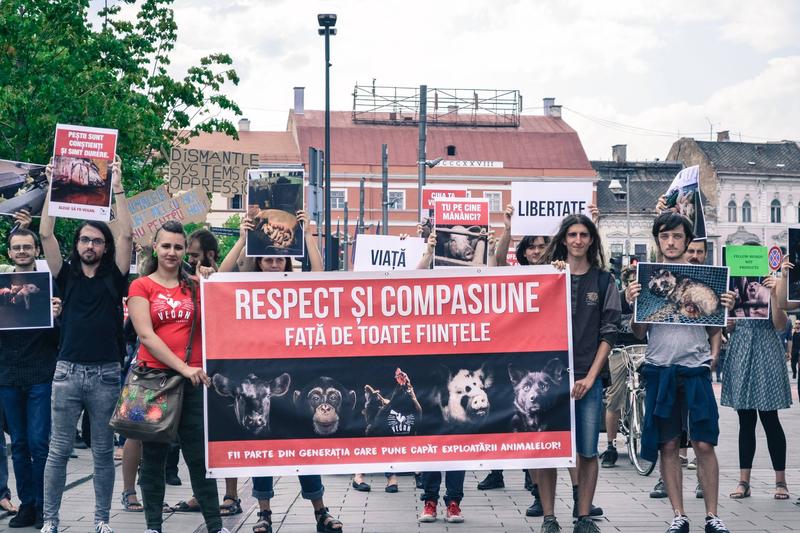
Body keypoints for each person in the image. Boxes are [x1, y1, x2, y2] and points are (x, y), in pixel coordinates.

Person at [217, 214, 339, 533]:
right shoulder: (247, 286)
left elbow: (320, 273)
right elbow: (221, 275)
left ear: (287, 262)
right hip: (258, 378)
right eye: (268, 259)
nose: (273, 264)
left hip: (290, 377)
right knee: (262, 449)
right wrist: (242, 240)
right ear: (259, 263)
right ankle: (264, 514)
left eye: (279, 259)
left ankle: (320, 510)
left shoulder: (296, 286)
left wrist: (309, 235)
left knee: (301, 446)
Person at [625, 212, 735, 533]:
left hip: (695, 369)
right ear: (658, 240)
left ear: (687, 241)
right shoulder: (646, 279)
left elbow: (718, 323)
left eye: (676, 236)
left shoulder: (703, 278)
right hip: (660, 369)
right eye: (665, 236)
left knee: (703, 444)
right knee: (669, 445)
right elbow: (637, 332)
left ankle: (713, 516)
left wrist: (724, 307)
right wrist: (635, 303)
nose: (671, 242)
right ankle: (679, 515)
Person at [38, 158, 132, 533]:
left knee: (104, 455)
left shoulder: (115, 276)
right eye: (84, 239)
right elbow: (46, 235)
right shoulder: (66, 275)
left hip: (107, 374)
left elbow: (126, 235)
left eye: (96, 240)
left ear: (104, 247)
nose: (90, 244)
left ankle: (101, 520)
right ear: (76, 244)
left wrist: (116, 185)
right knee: (58, 451)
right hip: (67, 373)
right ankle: (50, 521)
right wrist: (51, 188)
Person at [127, 220, 227, 533]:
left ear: (186, 251)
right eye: (166, 246)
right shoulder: (141, 286)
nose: (172, 252)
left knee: (199, 457)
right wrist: (183, 368)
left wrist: (210, 276)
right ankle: (153, 526)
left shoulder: (195, 284)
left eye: (178, 247)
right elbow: (146, 335)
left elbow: (229, 292)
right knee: (154, 456)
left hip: (194, 382)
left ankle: (215, 525)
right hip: (153, 381)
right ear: (155, 248)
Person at [533, 214, 620, 533]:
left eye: (584, 234)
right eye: (572, 234)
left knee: (587, 450)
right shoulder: (548, 277)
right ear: (564, 239)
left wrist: (591, 377)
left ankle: (583, 516)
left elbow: (609, 332)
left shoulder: (604, 281)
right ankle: (548, 517)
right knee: (549, 450)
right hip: (550, 382)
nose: (578, 240)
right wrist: (546, 276)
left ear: (592, 240)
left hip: (588, 378)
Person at [0, 210, 62, 529]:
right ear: (9, 252)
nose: (22, 252)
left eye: (27, 247)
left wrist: (56, 315)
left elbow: (59, 337)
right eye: (17, 248)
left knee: (40, 443)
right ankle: (27, 504)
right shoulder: (1, 287)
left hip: (40, 374)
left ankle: (43, 506)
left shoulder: (49, 284)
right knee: (20, 444)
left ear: (36, 250)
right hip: (7, 376)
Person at [721, 242, 792, 501]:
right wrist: (727, 318)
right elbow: (728, 329)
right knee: (745, 420)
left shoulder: (771, 283)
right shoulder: (734, 286)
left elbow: (781, 325)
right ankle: (744, 481)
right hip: (741, 348)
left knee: (770, 418)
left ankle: (781, 481)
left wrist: (774, 294)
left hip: (765, 348)